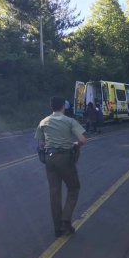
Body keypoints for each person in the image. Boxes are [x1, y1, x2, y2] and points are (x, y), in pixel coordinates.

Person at [35, 96, 86, 238]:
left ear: (51, 106)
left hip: (49, 159)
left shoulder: (43, 122)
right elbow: (82, 140)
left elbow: (40, 144)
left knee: (54, 192)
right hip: (65, 158)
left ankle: (57, 228)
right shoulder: (69, 121)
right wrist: (75, 145)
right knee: (74, 187)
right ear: (64, 106)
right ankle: (66, 218)